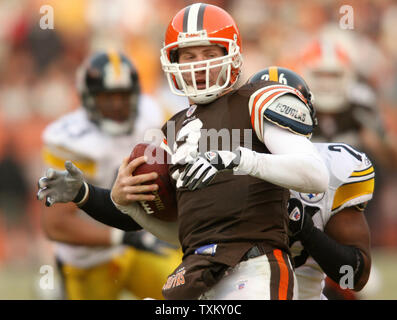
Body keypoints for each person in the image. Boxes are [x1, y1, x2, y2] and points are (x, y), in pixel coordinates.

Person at [37, 3, 330, 300]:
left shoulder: (256, 100)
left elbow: (315, 174)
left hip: (251, 269)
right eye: (189, 56)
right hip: (197, 274)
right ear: (173, 61)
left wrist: (242, 159)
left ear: (231, 56)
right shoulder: (172, 130)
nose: (198, 64)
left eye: (209, 54)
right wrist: (110, 200)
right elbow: (185, 232)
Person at [40, 51, 182, 300]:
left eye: (124, 96)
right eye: (107, 97)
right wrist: (124, 237)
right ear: (88, 98)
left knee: (186, 294)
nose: (117, 105)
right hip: (90, 260)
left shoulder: (154, 115)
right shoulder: (71, 141)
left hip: (144, 243)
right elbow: (55, 225)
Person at [249, 67, 373, 300]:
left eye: (288, 114)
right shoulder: (223, 162)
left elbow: (355, 278)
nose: (278, 126)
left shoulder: (335, 167)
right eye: (268, 116)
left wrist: (306, 231)